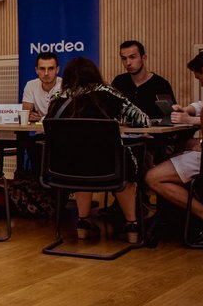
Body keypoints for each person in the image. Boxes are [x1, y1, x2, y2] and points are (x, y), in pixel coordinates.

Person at [46, 57, 150, 243]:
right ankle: (131, 224)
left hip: (65, 168)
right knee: (123, 162)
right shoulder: (107, 93)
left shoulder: (56, 99)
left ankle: (84, 222)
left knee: (80, 160)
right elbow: (143, 120)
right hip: (107, 166)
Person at [145, 49, 203, 245]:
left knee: (153, 178)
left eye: (199, 78)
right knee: (181, 146)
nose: (200, 82)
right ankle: (182, 214)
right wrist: (187, 110)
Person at [111, 40, 175, 120]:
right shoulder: (119, 82)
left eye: (132, 57)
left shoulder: (160, 84)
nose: (128, 63)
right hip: (123, 131)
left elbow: (170, 116)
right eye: (124, 58)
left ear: (144, 58)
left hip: (152, 131)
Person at [22, 52, 62, 121]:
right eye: (42, 69)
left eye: (51, 68)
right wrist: (29, 117)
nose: (46, 73)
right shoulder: (30, 85)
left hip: (60, 130)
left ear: (57, 70)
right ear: (36, 70)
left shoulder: (65, 85)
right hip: (39, 130)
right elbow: (26, 114)